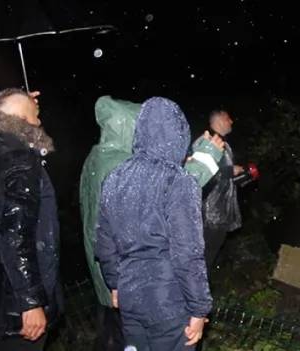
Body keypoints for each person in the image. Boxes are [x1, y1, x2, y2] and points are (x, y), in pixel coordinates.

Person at [80, 96, 224, 350]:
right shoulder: (178, 181)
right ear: (178, 133)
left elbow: (104, 242)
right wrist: (199, 309)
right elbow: (187, 253)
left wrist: (115, 284)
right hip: (168, 302)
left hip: (131, 298)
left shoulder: (115, 177)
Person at [0, 88, 62, 351]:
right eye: (34, 116)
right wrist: (30, 302)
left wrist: (19, 102)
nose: (39, 121)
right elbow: (15, 235)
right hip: (16, 307)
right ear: (20, 120)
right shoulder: (19, 161)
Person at [199, 110, 244, 271]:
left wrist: (242, 176)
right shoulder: (207, 142)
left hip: (221, 211)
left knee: (210, 254)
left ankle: (197, 291)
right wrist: (230, 171)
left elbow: (225, 180)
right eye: (227, 118)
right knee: (200, 255)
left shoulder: (224, 145)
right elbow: (199, 174)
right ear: (218, 121)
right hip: (208, 213)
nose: (231, 121)